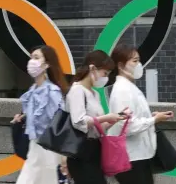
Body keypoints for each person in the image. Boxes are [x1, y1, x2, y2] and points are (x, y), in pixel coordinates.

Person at [108, 44, 174, 184]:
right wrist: (153, 120)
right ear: (120, 65)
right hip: (131, 157)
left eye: (139, 60)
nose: (139, 65)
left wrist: (152, 118)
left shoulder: (129, 87)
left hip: (138, 156)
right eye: (134, 61)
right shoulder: (122, 90)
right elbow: (127, 126)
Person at [65, 50, 131, 184]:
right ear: (92, 68)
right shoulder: (77, 90)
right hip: (81, 151)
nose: (105, 78)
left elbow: (98, 127)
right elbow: (79, 122)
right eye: (104, 73)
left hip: (95, 149)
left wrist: (115, 118)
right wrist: (106, 117)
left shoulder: (95, 94)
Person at [11, 45, 69, 184]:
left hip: (48, 149)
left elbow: (60, 122)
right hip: (34, 147)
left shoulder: (52, 91)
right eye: (31, 58)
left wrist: (63, 156)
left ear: (47, 64)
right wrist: (22, 118)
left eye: (36, 58)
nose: (32, 61)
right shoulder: (32, 91)